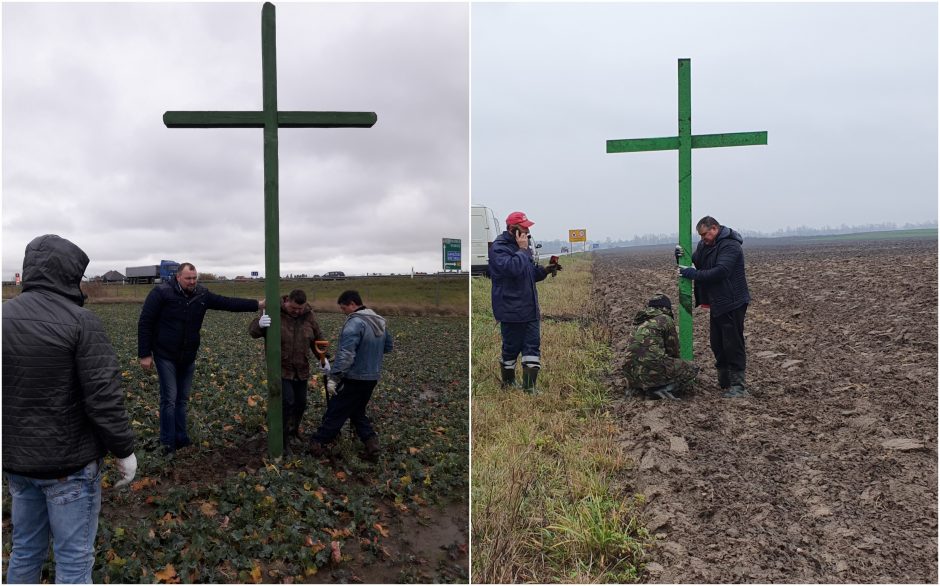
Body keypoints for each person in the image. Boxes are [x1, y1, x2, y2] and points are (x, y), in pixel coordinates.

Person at [3, 235, 137, 583]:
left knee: (25, 550)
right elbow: (104, 397)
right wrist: (123, 450)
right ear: (67, 273)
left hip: (17, 464)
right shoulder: (80, 322)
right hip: (69, 467)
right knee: (74, 561)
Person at [138, 262, 264, 455]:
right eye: (188, 278)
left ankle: (181, 439)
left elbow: (227, 303)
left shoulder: (202, 295)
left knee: (182, 400)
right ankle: (167, 444)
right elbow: (145, 322)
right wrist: (144, 354)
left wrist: (257, 305)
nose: (192, 281)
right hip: (165, 355)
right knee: (169, 400)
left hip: (188, 356)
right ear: (178, 277)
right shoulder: (161, 293)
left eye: (195, 278)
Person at [309, 290, 393, 461]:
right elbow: (388, 347)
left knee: (336, 410)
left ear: (353, 304)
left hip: (354, 377)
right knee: (356, 411)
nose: (343, 311)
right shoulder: (378, 321)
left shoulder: (355, 323)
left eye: (344, 307)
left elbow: (346, 354)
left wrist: (335, 377)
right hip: (372, 377)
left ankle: (318, 443)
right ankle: (371, 443)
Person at [678, 216, 752, 398]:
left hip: (733, 302)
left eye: (705, 234)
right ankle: (725, 381)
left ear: (714, 228)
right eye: (701, 236)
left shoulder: (731, 246)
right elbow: (695, 260)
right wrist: (681, 255)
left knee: (733, 343)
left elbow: (721, 271)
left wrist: (693, 274)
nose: (703, 238)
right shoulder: (706, 245)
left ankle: (739, 386)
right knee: (717, 343)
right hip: (717, 302)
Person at [488, 211, 561, 393]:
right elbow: (512, 269)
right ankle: (509, 382)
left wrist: (544, 270)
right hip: (511, 309)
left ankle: (530, 388)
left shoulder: (524, 248)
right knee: (511, 348)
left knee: (532, 346)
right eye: (524, 228)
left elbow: (527, 273)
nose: (528, 232)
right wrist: (522, 249)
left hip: (529, 308)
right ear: (513, 230)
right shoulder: (499, 248)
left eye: (528, 228)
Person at [249, 288, 328, 455]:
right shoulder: (274, 312)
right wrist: (259, 324)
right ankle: (282, 440)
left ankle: (293, 431)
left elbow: (318, 338)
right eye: (294, 309)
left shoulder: (308, 316)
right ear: (287, 302)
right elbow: (253, 332)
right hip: (281, 369)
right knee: (287, 403)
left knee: (301, 403)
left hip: (301, 369)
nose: (297, 312)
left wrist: (324, 358)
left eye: (300, 309)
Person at [623, 294, 699, 400]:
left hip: (630, 373)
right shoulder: (665, 319)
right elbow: (673, 350)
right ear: (666, 307)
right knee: (691, 368)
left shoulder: (640, 321)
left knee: (648, 363)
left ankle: (637, 388)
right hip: (651, 369)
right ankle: (660, 389)